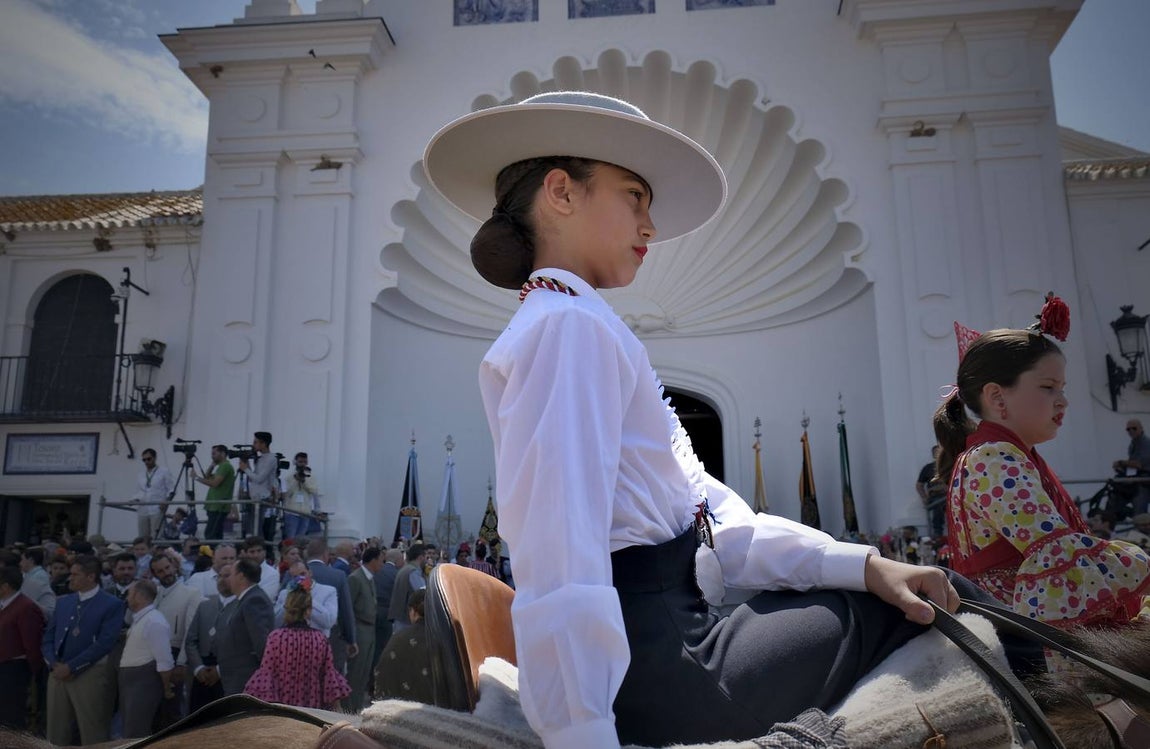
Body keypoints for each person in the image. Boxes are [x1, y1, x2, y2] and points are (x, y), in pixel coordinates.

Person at [423, 91, 986, 748]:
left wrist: (866, 565)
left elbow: (719, 527)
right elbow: (559, 555)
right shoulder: (567, 329)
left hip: (670, 652)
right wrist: (581, 735)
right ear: (561, 191)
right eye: (634, 194)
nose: (649, 223)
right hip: (669, 673)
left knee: (892, 588)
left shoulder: (578, 326)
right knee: (936, 609)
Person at [935, 321, 1150, 629]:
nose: (1062, 400)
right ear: (997, 398)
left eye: (1062, 388)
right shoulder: (992, 458)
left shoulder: (1006, 455)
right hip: (1021, 637)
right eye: (1048, 387)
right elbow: (1056, 552)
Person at [42, 554, 125, 745]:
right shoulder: (64, 602)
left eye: (76, 574)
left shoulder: (112, 604)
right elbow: (48, 637)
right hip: (57, 673)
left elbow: (105, 643)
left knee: (93, 731)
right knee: (55, 732)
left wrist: (72, 667)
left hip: (90, 674)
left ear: (91, 577)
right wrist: (54, 663)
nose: (70, 578)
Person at [243, 575, 350, 710]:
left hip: (281, 711)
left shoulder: (275, 638)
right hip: (312, 711)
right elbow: (329, 679)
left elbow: (266, 676)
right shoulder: (320, 640)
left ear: (287, 607)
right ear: (309, 611)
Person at [119, 579, 175, 739]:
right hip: (131, 681)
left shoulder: (154, 621)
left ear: (137, 595)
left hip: (143, 681)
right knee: (131, 729)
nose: (127, 598)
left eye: (129, 593)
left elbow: (165, 661)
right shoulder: (143, 619)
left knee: (136, 732)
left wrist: (166, 687)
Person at [214, 558, 274, 696]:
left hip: (246, 678)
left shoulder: (254, 600)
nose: (229, 580)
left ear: (241, 576)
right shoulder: (245, 600)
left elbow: (261, 643)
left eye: (232, 575)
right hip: (236, 678)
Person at [0, 566, 46, 731]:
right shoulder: (4, 605)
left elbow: (32, 644)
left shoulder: (25, 607)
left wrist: (33, 671)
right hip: (4, 667)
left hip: (14, 670)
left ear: (5, 586)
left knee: (10, 716)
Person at [185, 562, 234, 713]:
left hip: (227, 673)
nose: (221, 580)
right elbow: (191, 640)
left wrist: (220, 671)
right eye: (219, 576)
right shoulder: (204, 605)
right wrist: (198, 668)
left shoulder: (243, 606)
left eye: (227, 576)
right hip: (202, 671)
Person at [304, 538, 357, 673]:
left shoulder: (293, 573)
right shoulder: (338, 575)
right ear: (326, 555)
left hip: (297, 636)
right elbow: (346, 610)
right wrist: (351, 638)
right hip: (330, 636)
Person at [374, 589, 433, 706]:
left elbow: (382, 673)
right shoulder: (449, 639)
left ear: (413, 612)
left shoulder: (399, 639)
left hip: (397, 713)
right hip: (439, 716)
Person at [346, 546, 382, 711]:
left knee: (364, 674)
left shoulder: (370, 578)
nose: (382, 564)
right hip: (360, 631)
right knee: (355, 675)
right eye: (381, 560)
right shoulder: (356, 578)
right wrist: (351, 637)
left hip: (369, 631)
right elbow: (349, 609)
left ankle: (356, 708)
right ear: (373, 560)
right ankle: (349, 709)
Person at [273, 560, 338, 635]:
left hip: (317, 641)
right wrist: (289, 600)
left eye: (303, 574)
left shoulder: (328, 591)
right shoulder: (284, 594)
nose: (300, 578)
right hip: (290, 640)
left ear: (310, 573)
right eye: (295, 576)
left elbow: (329, 622)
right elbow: (275, 623)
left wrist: (307, 598)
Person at [237, 432, 277, 540]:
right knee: (250, 529)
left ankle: (259, 552)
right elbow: (253, 478)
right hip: (253, 497)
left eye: (255, 442)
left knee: (256, 530)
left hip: (262, 498)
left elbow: (259, 479)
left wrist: (245, 468)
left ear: (263, 444)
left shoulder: (271, 458)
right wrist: (246, 463)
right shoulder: (261, 458)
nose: (253, 445)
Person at [133, 449, 175, 540]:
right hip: (143, 509)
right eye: (144, 460)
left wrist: (166, 502)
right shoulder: (141, 474)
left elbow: (171, 490)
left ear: (155, 458)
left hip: (157, 509)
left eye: (149, 459)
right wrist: (134, 499)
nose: (146, 462)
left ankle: (155, 553)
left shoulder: (164, 471)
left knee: (156, 536)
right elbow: (139, 491)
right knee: (142, 538)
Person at [197, 444, 236, 542]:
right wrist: (212, 465)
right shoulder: (221, 467)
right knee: (214, 533)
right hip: (214, 505)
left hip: (218, 506)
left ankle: (213, 554)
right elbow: (207, 477)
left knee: (211, 534)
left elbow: (214, 483)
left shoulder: (225, 466)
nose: (212, 456)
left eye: (214, 453)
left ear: (222, 453)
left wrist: (196, 478)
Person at [387, 544, 426, 633]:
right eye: (425, 557)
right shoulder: (413, 572)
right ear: (420, 557)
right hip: (406, 620)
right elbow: (422, 594)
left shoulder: (404, 570)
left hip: (400, 619)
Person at [282, 452, 320, 541]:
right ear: (295, 462)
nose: (302, 464)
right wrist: (296, 480)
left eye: (304, 462)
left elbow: (313, 491)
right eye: (300, 462)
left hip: (305, 512)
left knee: (301, 539)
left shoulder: (311, 477)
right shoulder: (289, 477)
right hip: (292, 512)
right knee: (290, 538)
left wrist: (304, 481)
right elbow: (287, 493)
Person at [915, 446, 947, 538]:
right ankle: (938, 536)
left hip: (948, 495)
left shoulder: (948, 465)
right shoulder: (928, 468)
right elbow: (919, 485)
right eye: (936, 453)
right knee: (938, 509)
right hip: (936, 498)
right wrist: (924, 497)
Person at [240, 536, 281, 601]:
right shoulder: (239, 571)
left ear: (264, 552)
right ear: (245, 554)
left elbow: (265, 598)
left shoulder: (272, 574)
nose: (256, 555)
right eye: (252, 552)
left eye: (259, 551)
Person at [19, 547, 56, 618]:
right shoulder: (27, 574)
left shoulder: (40, 576)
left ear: (31, 560)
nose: (20, 563)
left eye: (22, 559)